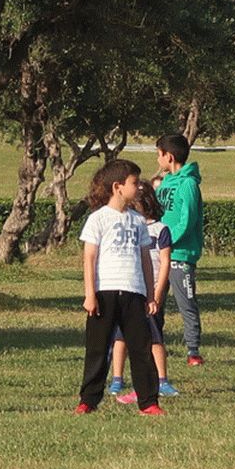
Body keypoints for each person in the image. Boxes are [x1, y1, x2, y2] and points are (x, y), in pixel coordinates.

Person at [76, 160, 160, 416]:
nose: (138, 188)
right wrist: (90, 294)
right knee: (98, 350)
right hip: (104, 292)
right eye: (134, 183)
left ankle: (149, 402)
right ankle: (88, 400)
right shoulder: (97, 219)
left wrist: (149, 293)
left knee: (141, 349)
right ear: (118, 187)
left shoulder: (138, 220)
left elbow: (145, 258)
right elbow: (89, 257)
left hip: (133, 291)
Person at [107, 183, 177, 403]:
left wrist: (157, 292)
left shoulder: (161, 229)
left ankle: (162, 380)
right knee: (122, 336)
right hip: (131, 288)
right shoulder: (129, 227)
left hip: (153, 290)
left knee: (154, 336)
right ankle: (117, 378)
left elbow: (165, 262)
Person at [155, 134, 205, 367]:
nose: (158, 159)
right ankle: (154, 343)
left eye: (159, 155)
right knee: (155, 302)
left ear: (170, 156)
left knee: (186, 302)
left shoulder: (189, 184)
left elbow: (187, 219)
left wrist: (168, 240)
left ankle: (193, 350)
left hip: (179, 255)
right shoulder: (165, 182)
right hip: (159, 254)